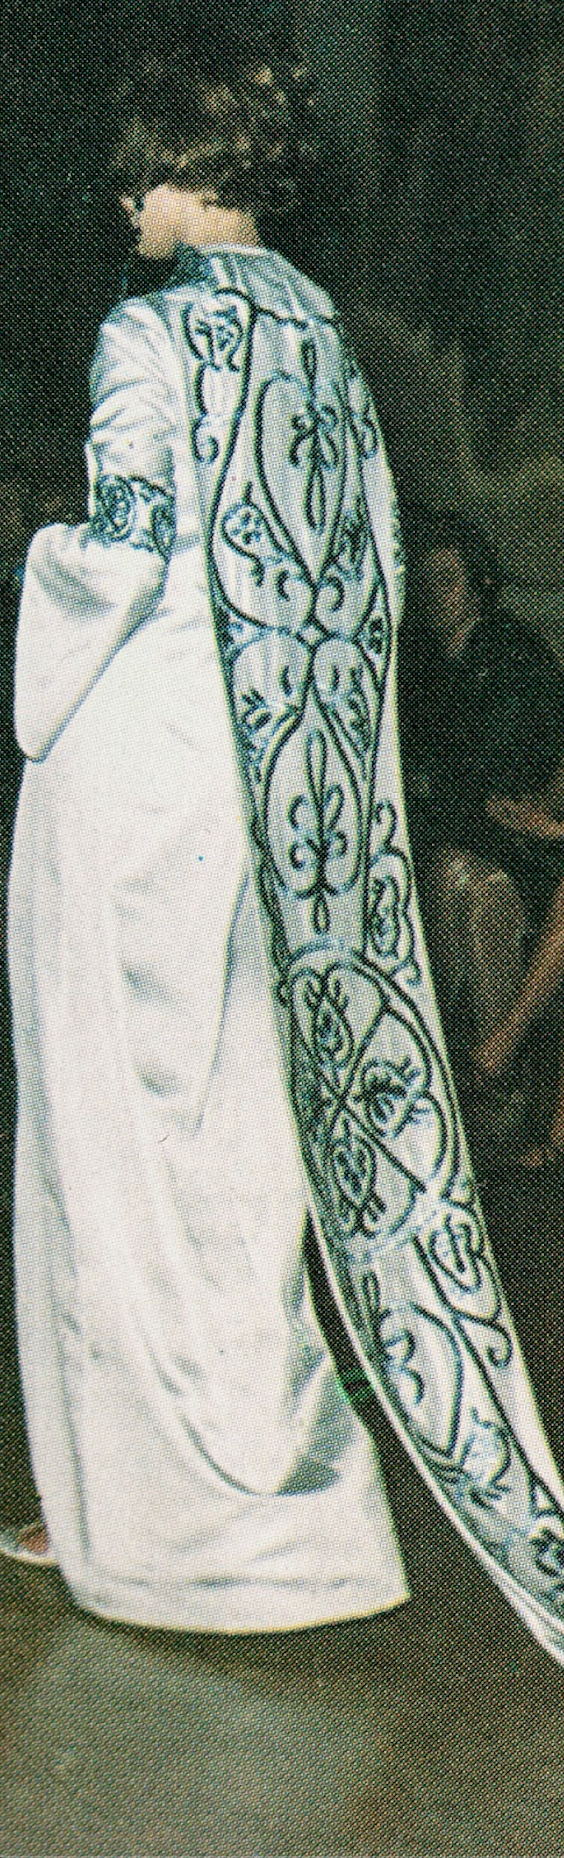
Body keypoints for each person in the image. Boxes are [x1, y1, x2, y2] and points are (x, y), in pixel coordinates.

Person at [0, 47, 409, 1628]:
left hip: (135, 776)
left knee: (108, 1133)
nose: (124, 201)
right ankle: (280, 1504)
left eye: (136, 172)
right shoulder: (323, 335)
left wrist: (35, 572)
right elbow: (364, 571)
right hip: (262, 791)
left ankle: (138, 1516)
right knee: (235, 1142)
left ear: (180, 166)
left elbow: (118, 556)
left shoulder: (150, 330)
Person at [398, 510, 564, 1163]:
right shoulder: (417, 661)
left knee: (479, 885)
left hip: (525, 838)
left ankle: (499, 1062)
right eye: (425, 583)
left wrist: (542, 817)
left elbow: (505, 770)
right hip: (490, 829)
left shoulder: (509, 652)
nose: (435, 596)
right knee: (455, 880)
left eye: (448, 580)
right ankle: (491, 1068)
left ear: (478, 582)